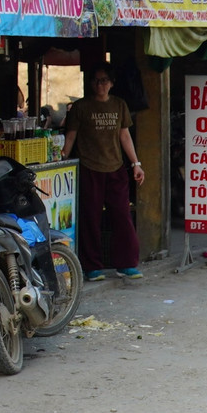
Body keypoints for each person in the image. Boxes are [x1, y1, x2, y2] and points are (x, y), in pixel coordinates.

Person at [61, 64, 144, 281]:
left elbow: (124, 135)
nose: (101, 84)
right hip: (89, 167)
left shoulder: (119, 105)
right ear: (91, 84)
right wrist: (62, 159)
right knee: (91, 217)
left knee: (122, 215)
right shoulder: (81, 107)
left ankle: (126, 264)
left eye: (105, 80)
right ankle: (92, 267)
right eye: (97, 80)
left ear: (112, 83)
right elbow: (71, 136)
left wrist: (136, 163)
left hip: (116, 167)